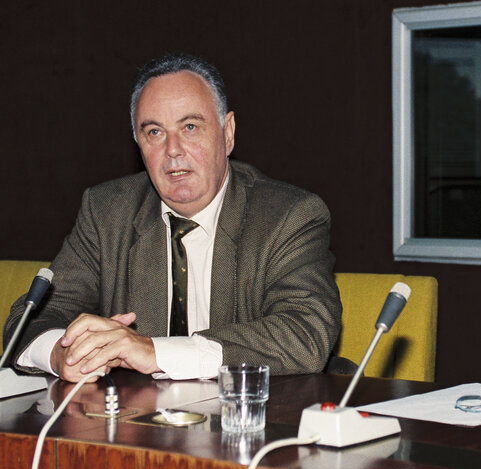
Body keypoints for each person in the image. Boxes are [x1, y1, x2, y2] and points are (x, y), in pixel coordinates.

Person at [2, 53, 342, 383]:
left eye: (190, 127)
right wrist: (61, 354)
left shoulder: (287, 215)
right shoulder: (107, 212)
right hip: (137, 425)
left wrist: (155, 352)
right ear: (138, 144)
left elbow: (306, 331)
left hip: (248, 422)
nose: (173, 150)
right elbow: (29, 320)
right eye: (154, 132)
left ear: (227, 133)